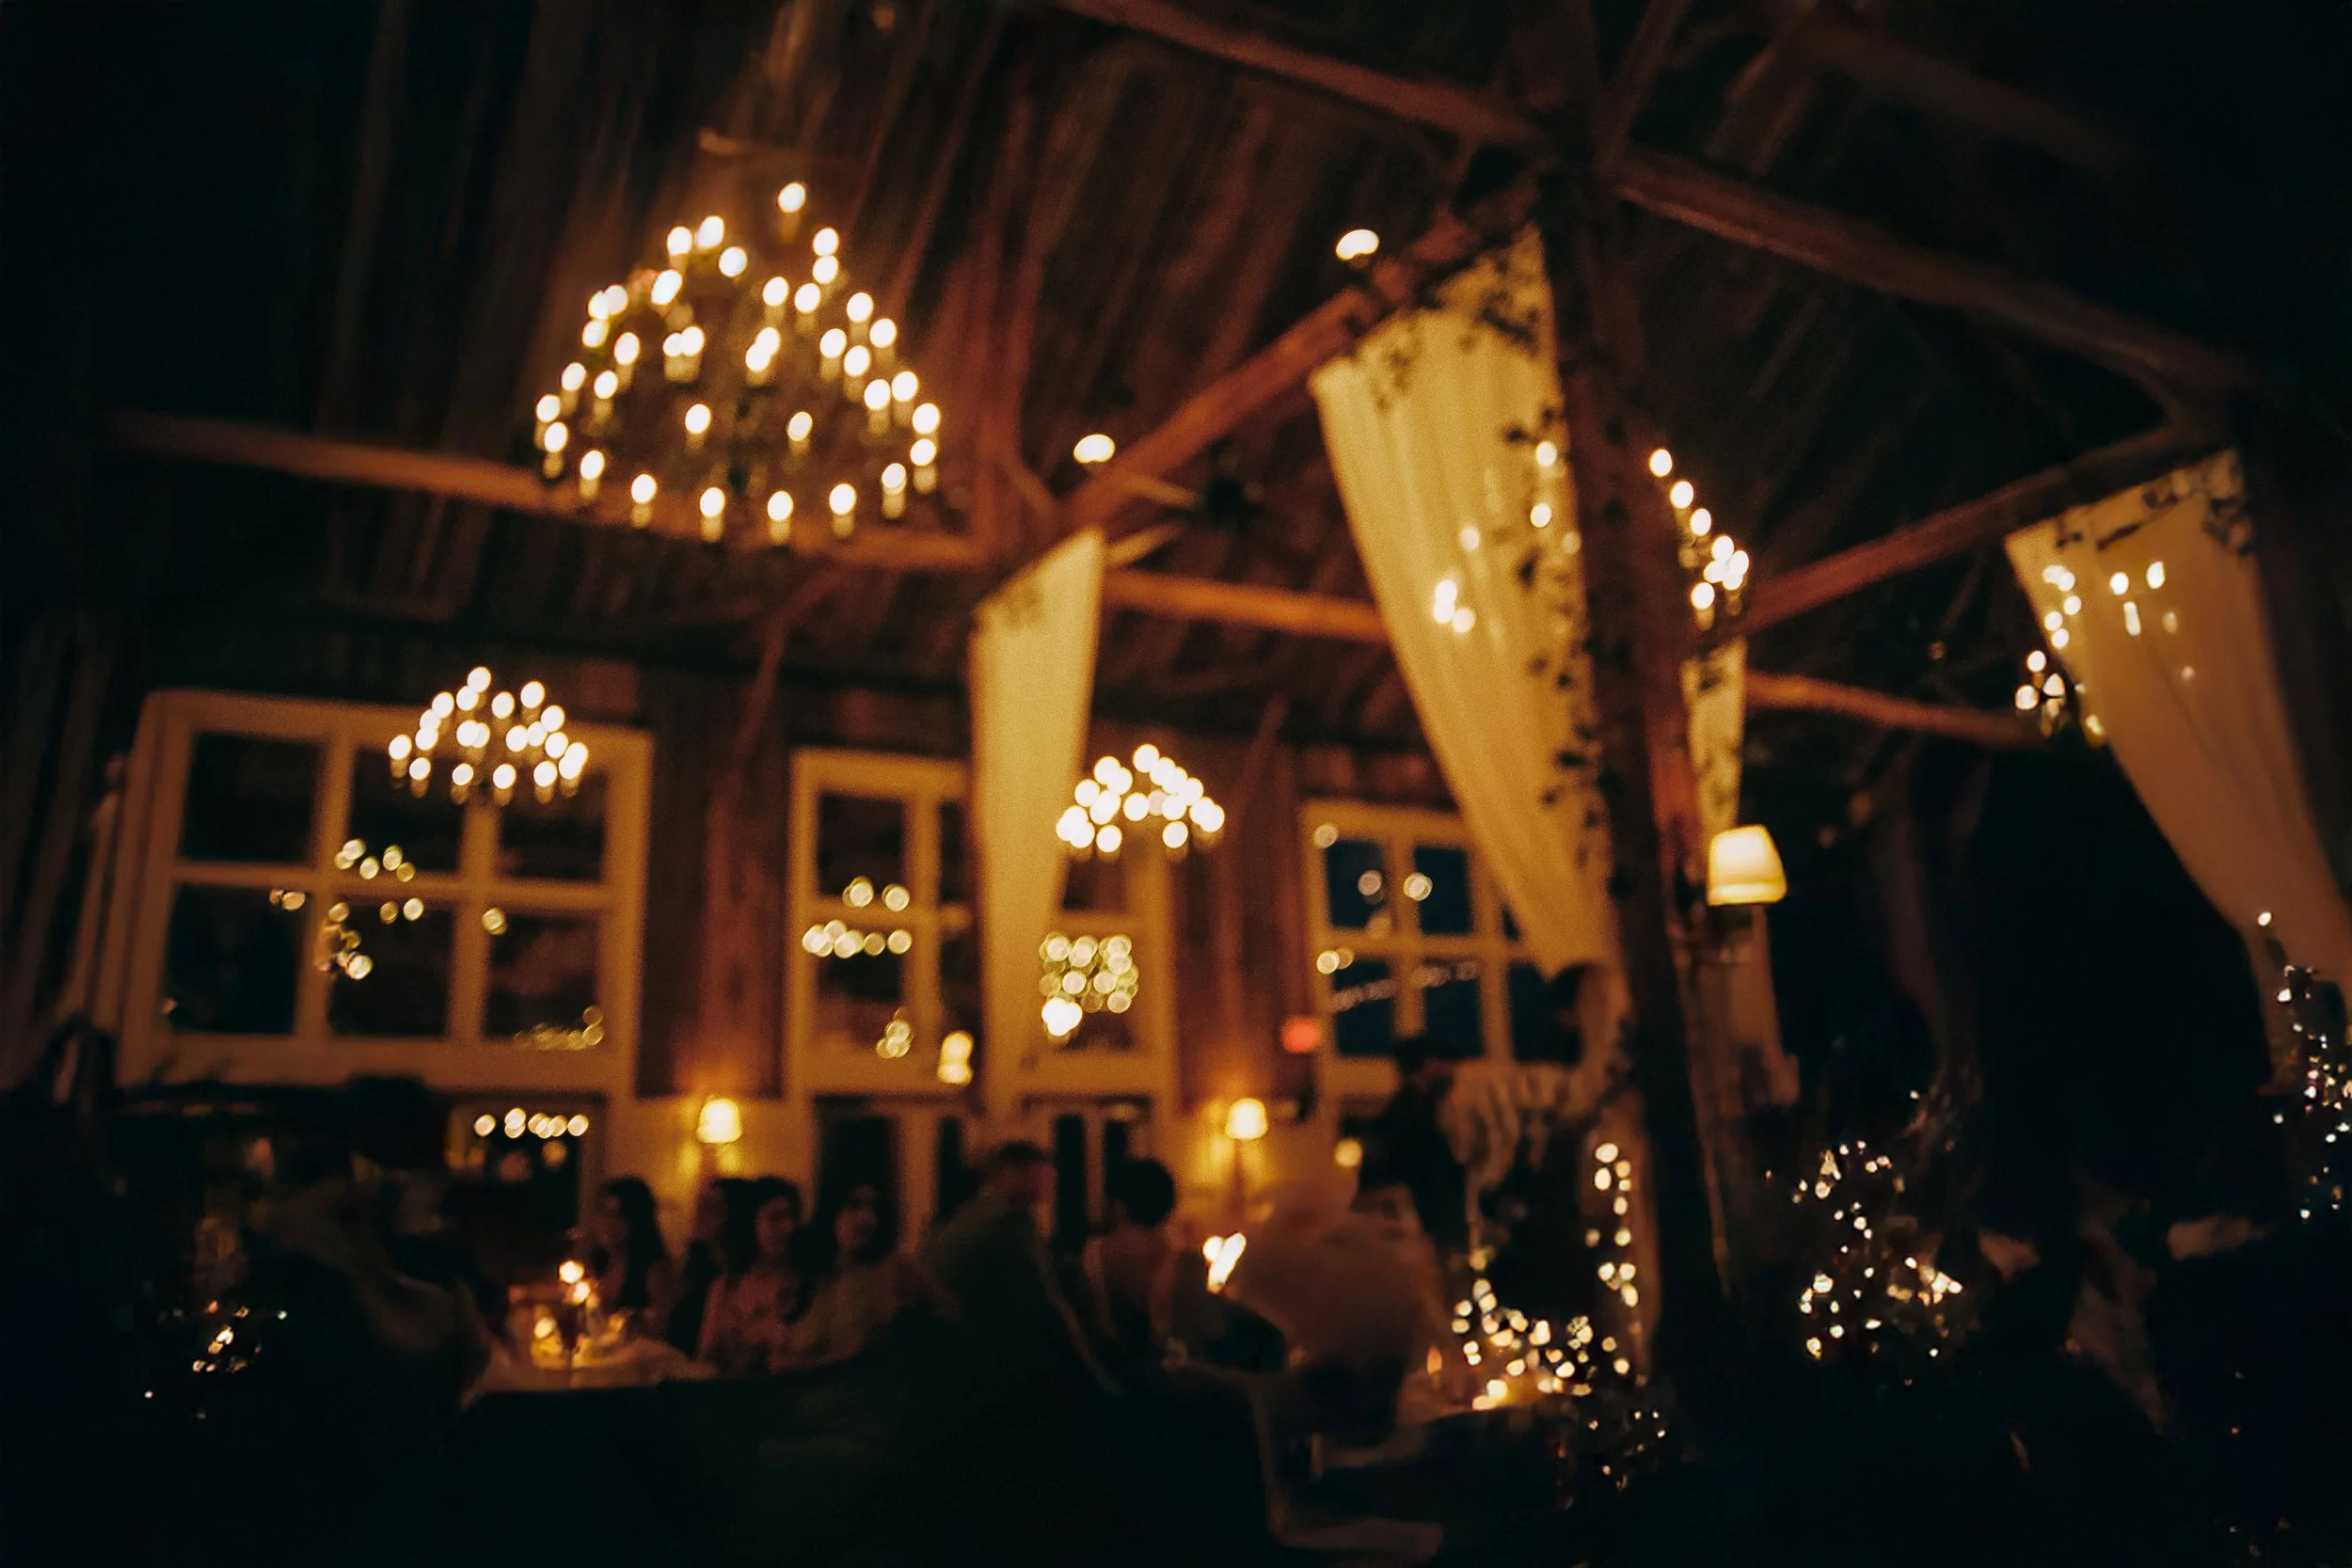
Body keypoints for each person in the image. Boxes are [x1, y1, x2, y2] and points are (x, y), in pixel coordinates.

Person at [923, 1141, 1106, 1402]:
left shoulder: (961, 1214)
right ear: (1008, 1172)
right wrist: (1096, 1375)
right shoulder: (1009, 1221)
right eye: (1036, 1176)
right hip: (982, 1367)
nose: (1044, 1186)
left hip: (942, 1360)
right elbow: (1047, 1303)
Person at [792, 1181, 953, 1366]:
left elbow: (951, 1317)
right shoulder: (812, 1272)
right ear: (832, 1210)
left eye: (875, 1209)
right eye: (853, 1206)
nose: (867, 1219)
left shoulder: (894, 1266)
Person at [1357, 1035, 1469, 1256]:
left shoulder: (1401, 1118)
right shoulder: (1412, 1120)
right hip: (1425, 1231)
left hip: (1422, 1230)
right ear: (1428, 1066)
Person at [698, 1177, 809, 1375]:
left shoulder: (802, 1281)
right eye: (775, 1218)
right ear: (750, 1223)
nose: (787, 1227)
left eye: (790, 1217)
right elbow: (706, 1356)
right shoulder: (726, 1286)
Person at [1085, 1158, 1177, 1372]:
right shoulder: (1164, 1252)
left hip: (1104, 1367)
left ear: (1118, 1205)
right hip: (1151, 1371)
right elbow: (1170, 1328)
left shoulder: (1094, 1249)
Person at [664, 1177, 748, 1359]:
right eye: (700, 1205)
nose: (700, 1214)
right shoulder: (696, 1268)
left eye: (713, 1208)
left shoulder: (738, 1280)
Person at [587, 1177, 675, 1337]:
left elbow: (662, 1327)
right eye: (603, 1213)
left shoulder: (653, 1270)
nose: (607, 1223)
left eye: (617, 1215)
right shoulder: (598, 1264)